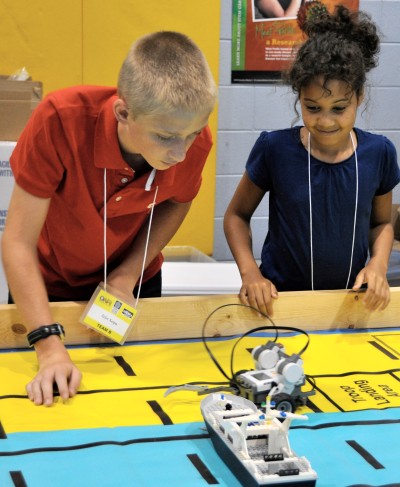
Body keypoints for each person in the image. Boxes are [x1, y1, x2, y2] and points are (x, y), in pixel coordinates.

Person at [1, 31, 217, 406]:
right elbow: (17, 241)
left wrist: (127, 274)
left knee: (133, 398)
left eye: (192, 133)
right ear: (123, 112)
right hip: (49, 286)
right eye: (166, 136)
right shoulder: (59, 120)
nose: (181, 152)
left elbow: (179, 200)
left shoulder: (190, 138)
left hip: (131, 281)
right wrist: (48, 346)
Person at [224, 5, 400, 317]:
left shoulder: (379, 152)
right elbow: (236, 215)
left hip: (351, 306)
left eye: (339, 107)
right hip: (280, 305)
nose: (326, 121)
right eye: (313, 108)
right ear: (299, 99)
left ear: (359, 97)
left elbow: (382, 222)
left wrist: (378, 264)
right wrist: (251, 273)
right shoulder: (274, 148)